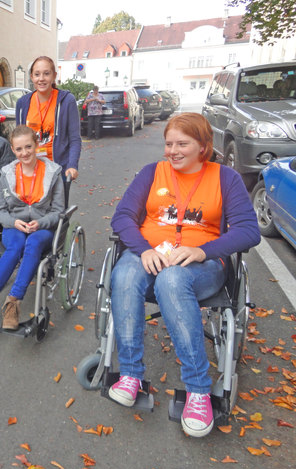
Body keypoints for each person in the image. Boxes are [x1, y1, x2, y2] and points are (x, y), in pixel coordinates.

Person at [107, 113, 260, 438]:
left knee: (172, 280)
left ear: (203, 147)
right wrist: (143, 248)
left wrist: (203, 251)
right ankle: (131, 374)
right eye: (169, 143)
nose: (172, 151)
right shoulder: (152, 173)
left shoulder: (225, 178)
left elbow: (249, 231)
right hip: (150, 255)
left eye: (182, 144)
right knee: (124, 276)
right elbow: (122, 217)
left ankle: (199, 392)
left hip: (201, 265)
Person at [0, 125, 65, 330]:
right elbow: (0, 210)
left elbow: (58, 211)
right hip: (14, 225)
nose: (24, 153)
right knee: (16, 245)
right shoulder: (7, 174)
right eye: (19, 149)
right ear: (12, 149)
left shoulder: (53, 172)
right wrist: (13, 222)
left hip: (42, 225)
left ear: (36, 144)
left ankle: (12, 303)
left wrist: (41, 223)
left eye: (28, 147)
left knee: (34, 243)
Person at [16, 56, 81, 180]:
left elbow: (74, 139)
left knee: (57, 200)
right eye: (37, 74)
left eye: (46, 74)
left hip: (57, 170)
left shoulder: (67, 101)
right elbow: (19, 139)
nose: (41, 79)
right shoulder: (22, 103)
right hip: (31, 170)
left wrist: (72, 165)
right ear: (31, 77)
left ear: (54, 75)